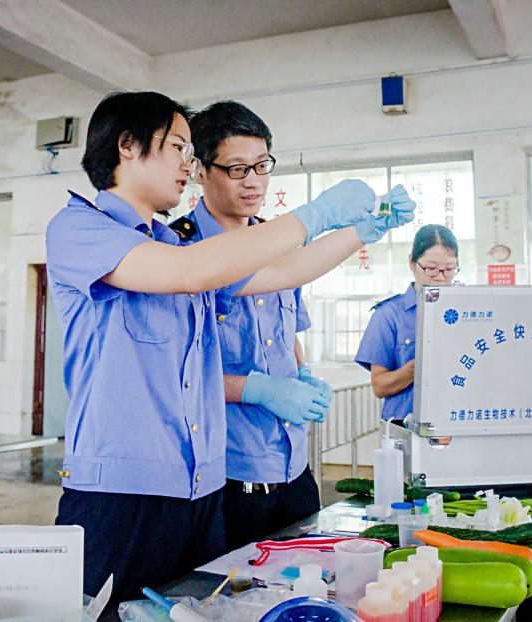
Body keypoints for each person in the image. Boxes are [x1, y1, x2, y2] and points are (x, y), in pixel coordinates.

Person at [45, 91, 414, 609]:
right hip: (121, 492)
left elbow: (283, 273)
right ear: (127, 147)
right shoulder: (80, 229)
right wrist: (317, 211)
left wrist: (356, 231)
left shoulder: (176, 246)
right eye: (177, 146)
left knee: (201, 610)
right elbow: (190, 272)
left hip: (197, 488)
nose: (186, 163)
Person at [173, 101, 406, 550]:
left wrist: (301, 375)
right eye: (237, 169)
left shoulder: (276, 240)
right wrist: (259, 389)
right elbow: (173, 373)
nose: (255, 181)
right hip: (225, 475)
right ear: (200, 170)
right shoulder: (180, 251)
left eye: (262, 165)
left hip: (293, 465)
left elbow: (286, 331)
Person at [355, 224, 460, 424]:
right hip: (404, 425)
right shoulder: (389, 315)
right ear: (412, 263)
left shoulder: (468, 312)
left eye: (449, 269)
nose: (440, 277)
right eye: (430, 269)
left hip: (455, 421)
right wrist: (416, 367)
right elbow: (379, 386)